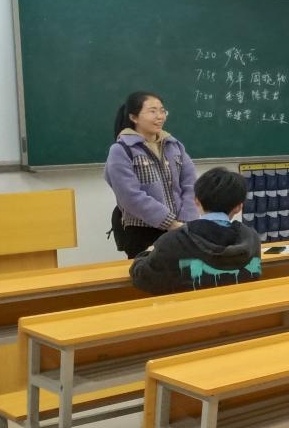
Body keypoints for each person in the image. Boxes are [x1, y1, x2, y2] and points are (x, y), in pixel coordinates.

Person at [129, 167, 261, 295]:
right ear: (239, 207)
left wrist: (145, 255)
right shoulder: (251, 238)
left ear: (196, 201)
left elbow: (144, 280)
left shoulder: (172, 241)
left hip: (190, 309)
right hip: (241, 307)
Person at [105, 92, 198, 258]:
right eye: (152, 111)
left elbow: (190, 184)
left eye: (162, 111)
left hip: (181, 228)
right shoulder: (121, 150)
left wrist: (186, 219)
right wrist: (170, 223)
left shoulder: (174, 145)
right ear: (134, 117)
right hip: (143, 232)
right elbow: (130, 196)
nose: (160, 116)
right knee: (149, 273)